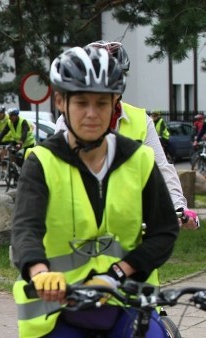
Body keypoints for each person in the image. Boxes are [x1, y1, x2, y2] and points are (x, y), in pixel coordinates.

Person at [12, 46, 178, 338]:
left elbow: (164, 230)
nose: (92, 113)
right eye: (81, 102)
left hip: (123, 300)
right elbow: (25, 230)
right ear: (61, 102)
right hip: (58, 308)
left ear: (115, 104)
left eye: (102, 103)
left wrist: (116, 274)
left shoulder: (140, 160)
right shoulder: (40, 162)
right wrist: (40, 273)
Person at [55, 40, 199, 230]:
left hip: (131, 224)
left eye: (115, 78)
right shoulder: (68, 122)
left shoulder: (140, 120)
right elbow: (58, 174)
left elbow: (162, 169)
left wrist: (178, 207)